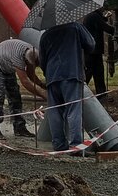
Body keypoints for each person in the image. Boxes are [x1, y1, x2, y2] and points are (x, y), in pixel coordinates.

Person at [38, 21, 95, 152]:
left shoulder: (46, 35)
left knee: (55, 111)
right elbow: (91, 45)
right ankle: (75, 146)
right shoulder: (75, 27)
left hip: (52, 77)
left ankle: (58, 144)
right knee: (74, 110)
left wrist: (49, 73)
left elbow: (42, 60)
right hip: (72, 73)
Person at [0, 38, 44, 138]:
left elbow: (30, 73)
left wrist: (42, 85)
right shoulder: (18, 58)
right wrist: (42, 94)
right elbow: (25, 82)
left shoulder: (32, 52)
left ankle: (19, 128)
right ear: (26, 61)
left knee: (15, 96)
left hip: (7, 64)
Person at [83, 10, 114, 97]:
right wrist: (117, 30)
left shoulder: (92, 16)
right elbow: (105, 27)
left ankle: (102, 94)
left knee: (98, 73)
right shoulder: (94, 16)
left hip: (93, 50)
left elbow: (99, 22)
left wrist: (105, 17)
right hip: (93, 50)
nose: (103, 8)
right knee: (90, 72)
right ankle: (80, 92)